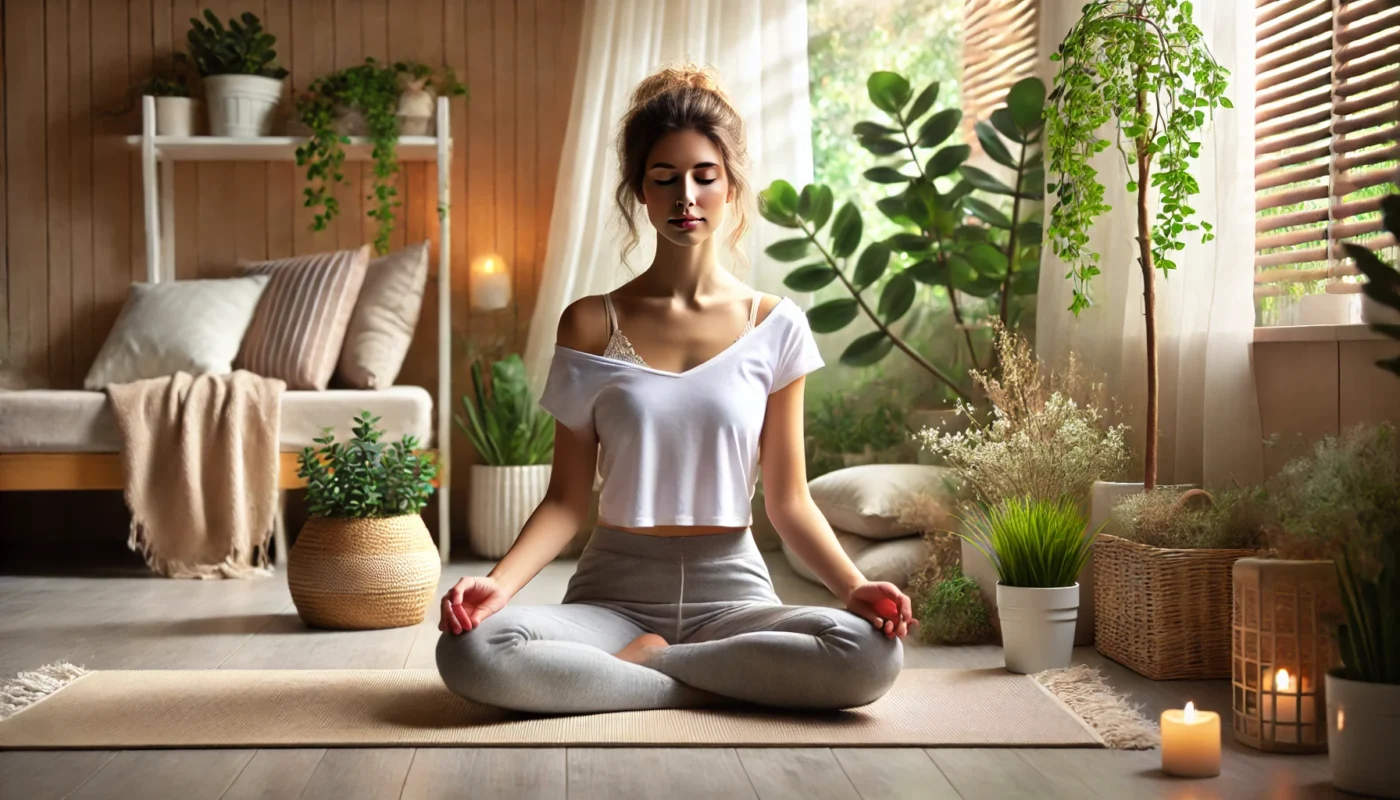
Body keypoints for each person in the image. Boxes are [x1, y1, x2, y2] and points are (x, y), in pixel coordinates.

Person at [436, 63, 917, 715]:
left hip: (736, 598)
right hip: (611, 598)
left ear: (731, 185)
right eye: (663, 179)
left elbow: (789, 502)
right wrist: (496, 586)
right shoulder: (589, 321)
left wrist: (856, 587)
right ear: (640, 190)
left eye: (703, 176)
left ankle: (644, 671)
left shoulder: (777, 327)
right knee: (471, 652)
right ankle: (708, 682)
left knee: (870, 656)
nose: (684, 196)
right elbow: (565, 502)